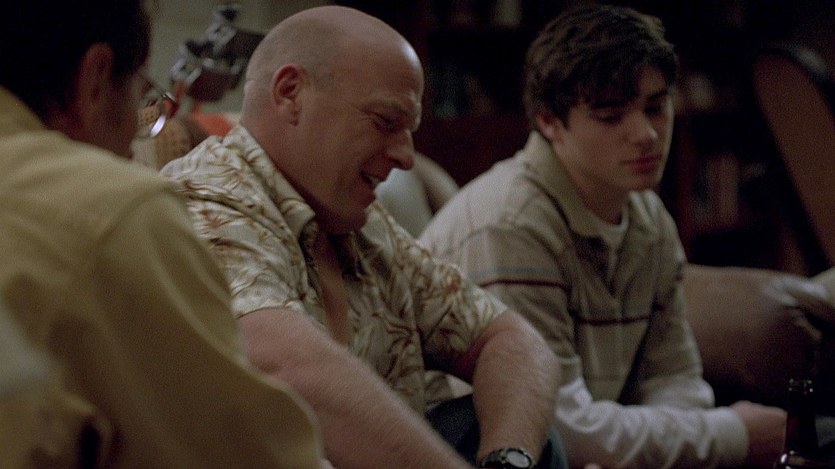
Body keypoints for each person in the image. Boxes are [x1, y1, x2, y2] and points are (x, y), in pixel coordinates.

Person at [160, 6, 562, 469]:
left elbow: (511, 339)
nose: (406, 157)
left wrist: (508, 458)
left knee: (529, 436)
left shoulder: (358, 220)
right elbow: (286, 365)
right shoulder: (205, 198)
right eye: (386, 122)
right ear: (291, 94)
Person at [420, 4, 787, 468]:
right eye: (611, 115)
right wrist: (729, 436)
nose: (647, 134)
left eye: (656, 107)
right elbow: (555, 429)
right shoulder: (511, 223)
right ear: (550, 122)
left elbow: (675, 378)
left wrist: (688, 443)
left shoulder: (648, 218)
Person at [0, 1, 328, 467]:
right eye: (141, 98)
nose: (134, 150)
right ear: (95, 78)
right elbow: (252, 456)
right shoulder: (113, 209)